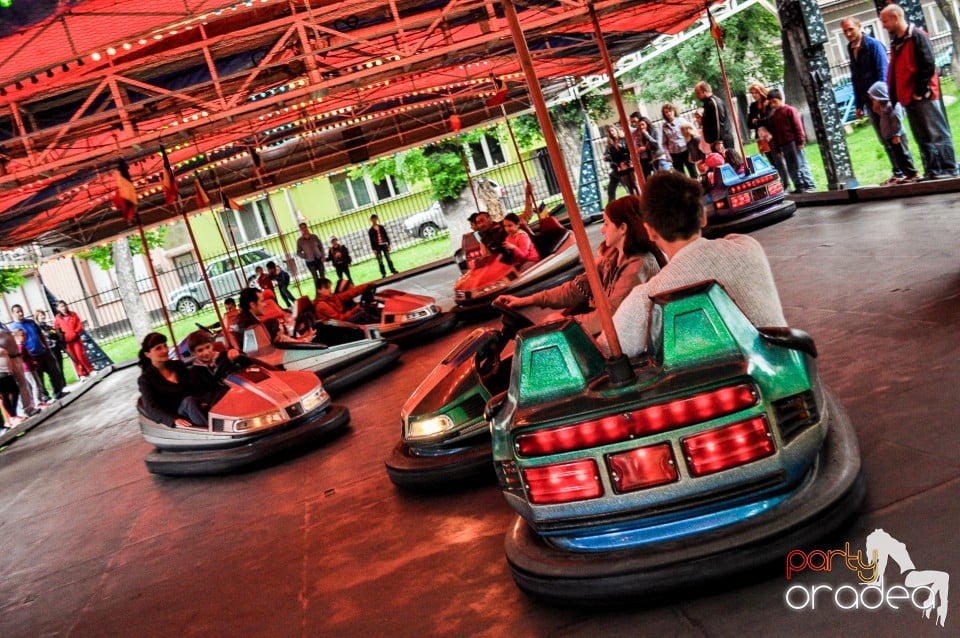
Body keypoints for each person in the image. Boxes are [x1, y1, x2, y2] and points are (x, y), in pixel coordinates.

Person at [606, 172, 787, 358]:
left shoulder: (648, 297)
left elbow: (608, 351)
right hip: (785, 367)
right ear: (703, 218)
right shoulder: (748, 248)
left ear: (650, 232)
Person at [499, 195, 664, 335]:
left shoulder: (638, 266)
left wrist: (565, 323)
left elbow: (611, 316)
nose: (602, 230)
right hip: (616, 332)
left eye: (606, 224)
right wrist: (525, 300)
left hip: (631, 340)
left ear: (622, 228)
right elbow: (575, 289)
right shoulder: (613, 257)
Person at [881, 3, 957, 180]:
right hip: (909, 96)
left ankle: (948, 168)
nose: (883, 25)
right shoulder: (898, 41)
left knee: (936, 132)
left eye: (885, 21)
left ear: (896, 17)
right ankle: (933, 169)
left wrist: (919, 90)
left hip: (922, 95)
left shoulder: (917, 36)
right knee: (923, 136)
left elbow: (928, 63)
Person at [842, 16, 906, 185]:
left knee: (895, 134)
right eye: (845, 31)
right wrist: (859, 104)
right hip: (868, 100)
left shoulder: (873, 45)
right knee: (884, 137)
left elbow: (882, 73)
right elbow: (855, 77)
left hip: (882, 100)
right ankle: (897, 171)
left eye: (851, 29)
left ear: (859, 26)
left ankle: (907, 170)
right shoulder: (851, 48)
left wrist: (880, 99)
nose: (848, 34)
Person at [137, 332, 207, 428]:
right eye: (158, 348)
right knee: (189, 401)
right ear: (148, 354)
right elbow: (151, 408)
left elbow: (194, 386)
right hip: (176, 413)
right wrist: (173, 419)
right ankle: (211, 431)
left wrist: (202, 400)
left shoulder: (178, 365)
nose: (165, 350)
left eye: (165, 346)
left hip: (194, 406)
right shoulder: (146, 380)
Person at [867, 81, 920, 183]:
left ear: (880, 96)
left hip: (897, 136)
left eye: (873, 99)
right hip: (890, 136)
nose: (873, 102)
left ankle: (912, 173)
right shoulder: (884, 107)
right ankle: (906, 174)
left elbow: (897, 120)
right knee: (898, 157)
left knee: (904, 154)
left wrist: (896, 134)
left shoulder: (892, 106)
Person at [10, 304, 66, 400]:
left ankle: (58, 392)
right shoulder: (13, 327)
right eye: (18, 312)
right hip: (31, 355)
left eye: (21, 310)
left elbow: (40, 335)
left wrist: (47, 347)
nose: (20, 313)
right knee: (38, 378)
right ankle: (44, 396)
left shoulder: (31, 322)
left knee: (54, 372)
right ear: (13, 313)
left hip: (43, 351)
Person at [766, 89, 816, 193]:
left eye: (774, 101)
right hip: (783, 145)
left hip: (793, 142)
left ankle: (809, 185)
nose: (773, 104)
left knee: (801, 164)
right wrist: (777, 149)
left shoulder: (790, 110)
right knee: (791, 166)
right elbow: (775, 134)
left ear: (780, 99)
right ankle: (799, 186)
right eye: (771, 103)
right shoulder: (773, 117)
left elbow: (797, 126)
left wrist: (800, 141)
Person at [185, 330, 248, 404]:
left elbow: (247, 364)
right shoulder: (195, 372)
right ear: (193, 353)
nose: (206, 353)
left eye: (208, 347)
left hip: (240, 391)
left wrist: (238, 355)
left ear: (212, 345)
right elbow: (202, 394)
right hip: (220, 401)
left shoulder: (225, 356)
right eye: (200, 350)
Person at [747, 82, 789, 185]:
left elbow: (769, 120)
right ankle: (780, 183)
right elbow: (749, 123)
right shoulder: (753, 106)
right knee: (772, 162)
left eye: (756, 92)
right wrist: (758, 121)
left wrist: (757, 121)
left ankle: (786, 183)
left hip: (772, 135)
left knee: (779, 160)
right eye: (752, 93)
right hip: (762, 138)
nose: (754, 95)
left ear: (761, 91)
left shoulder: (769, 102)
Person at [0, 323, 37, 417]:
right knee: (9, 390)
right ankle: (18, 412)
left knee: (21, 385)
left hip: (15, 356)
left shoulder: (2, 325)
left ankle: (27, 408)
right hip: (6, 360)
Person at [52, 301, 93, 379]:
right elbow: (56, 327)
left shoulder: (73, 314)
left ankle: (90, 370)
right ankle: (81, 374)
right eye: (61, 307)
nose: (63, 308)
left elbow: (79, 324)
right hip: (67, 342)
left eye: (64, 306)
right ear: (58, 308)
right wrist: (60, 337)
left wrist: (76, 332)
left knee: (81, 356)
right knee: (74, 359)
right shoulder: (58, 317)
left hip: (76, 339)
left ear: (66, 306)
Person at [313, 278, 378, 324]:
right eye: (326, 288)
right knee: (362, 313)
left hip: (342, 322)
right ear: (319, 291)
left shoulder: (332, 297)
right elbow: (339, 319)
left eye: (329, 287)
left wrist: (366, 286)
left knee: (362, 309)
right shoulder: (321, 305)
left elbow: (350, 293)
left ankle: (376, 321)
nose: (329, 290)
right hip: (339, 326)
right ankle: (377, 329)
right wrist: (355, 309)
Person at [695, 81, 734, 152]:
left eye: (698, 93)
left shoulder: (713, 103)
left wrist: (719, 141)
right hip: (715, 141)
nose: (697, 96)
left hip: (721, 141)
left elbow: (719, 123)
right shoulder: (708, 104)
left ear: (705, 91)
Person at [603, 124, 637, 201]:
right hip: (620, 166)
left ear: (616, 130)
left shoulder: (624, 139)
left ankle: (640, 198)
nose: (612, 133)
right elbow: (607, 156)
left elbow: (630, 150)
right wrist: (612, 159)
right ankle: (634, 201)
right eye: (610, 131)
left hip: (629, 164)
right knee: (629, 186)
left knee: (635, 184)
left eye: (612, 130)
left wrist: (628, 160)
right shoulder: (610, 144)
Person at [661, 104, 695, 177]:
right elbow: (664, 142)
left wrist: (691, 151)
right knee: (680, 175)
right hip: (674, 153)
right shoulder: (664, 126)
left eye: (670, 111)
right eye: (666, 112)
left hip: (685, 150)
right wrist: (667, 155)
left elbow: (690, 135)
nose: (668, 113)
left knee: (693, 172)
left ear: (674, 111)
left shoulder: (681, 121)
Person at [296, 222, 325, 292]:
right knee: (315, 278)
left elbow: (321, 246)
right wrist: (305, 256)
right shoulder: (300, 241)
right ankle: (318, 292)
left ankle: (325, 290)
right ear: (300, 230)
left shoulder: (314, 237)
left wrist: (323, 256)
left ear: (307, 227)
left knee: (323, 277)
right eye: (302, 228)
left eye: (304, 227)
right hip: (310, 262)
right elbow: (298, 252)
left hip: (319, 259)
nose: (304, 229)